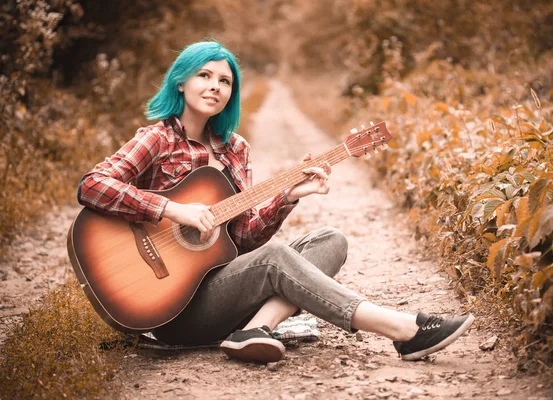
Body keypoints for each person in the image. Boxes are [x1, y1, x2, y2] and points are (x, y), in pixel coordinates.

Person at [77, 41, 474, 364]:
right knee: (278, 258)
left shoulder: (236, 150)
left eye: (225, 81)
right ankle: (403, 330)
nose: (215, 86)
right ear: (180, 82)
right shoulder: (158, 139)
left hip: (219, 291)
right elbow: (93, 185)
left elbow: (243, 240)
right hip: (170, 310)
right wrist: (173, 210)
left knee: (331, 240)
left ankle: (255, 329)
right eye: (204, 75)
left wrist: (286, 197)